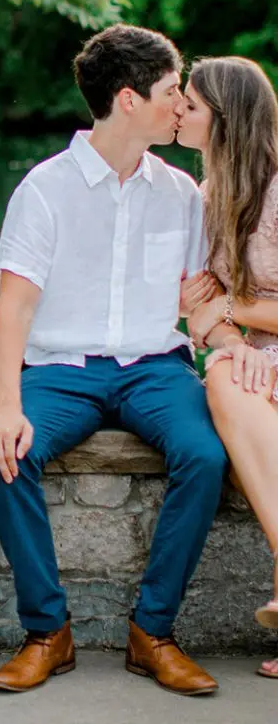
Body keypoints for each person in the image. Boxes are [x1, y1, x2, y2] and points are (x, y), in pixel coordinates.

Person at [0, 23, 257, 697]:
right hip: (61, 371)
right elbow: (12, 309)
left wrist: (237, 348)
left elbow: (202, 306)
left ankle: (151, 633)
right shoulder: (45, 190)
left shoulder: (184, 194)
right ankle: (49, 633)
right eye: (171, 90)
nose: (182, 104)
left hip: (157, 369)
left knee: (206, 456)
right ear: (128, 100)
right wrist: (5, 404)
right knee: (5, 456)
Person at [175, 55, 278, 680]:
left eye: (190, 103)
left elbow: (220, 297)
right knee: (222, 375)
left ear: (225, 115)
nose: (180, 111)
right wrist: (229, 337)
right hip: (253, 356)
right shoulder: (207, 197)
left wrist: (234, 308)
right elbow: (196, 311)